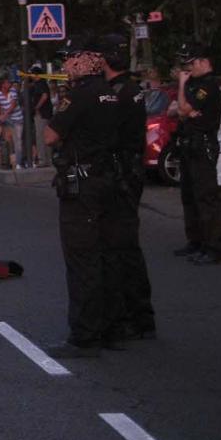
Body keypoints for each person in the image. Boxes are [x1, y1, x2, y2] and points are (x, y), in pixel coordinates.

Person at [43, 41, 124, 357]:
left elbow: (51, 135)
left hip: (83, 184)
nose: (66, 66)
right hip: (108, 180)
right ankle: (110, 327)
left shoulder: (79, 96)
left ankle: (85, 336)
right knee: (107, 255)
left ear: (90, 60)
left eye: (71, 59)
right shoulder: (111, 93)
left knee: (82, 259)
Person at [100, 34, 155, 341]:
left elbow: (106, 134)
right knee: (127, 246)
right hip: (130, 171)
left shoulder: (116, 93)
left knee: (120, 248)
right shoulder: (132, 89)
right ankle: (140, 315)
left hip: (120, 173)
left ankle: (131, 316)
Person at [172, 43, 221, 265]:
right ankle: (196, 241)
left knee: (206, 197)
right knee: (190, 196)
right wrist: (186, 107)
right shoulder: (194, 84)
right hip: (188, 143)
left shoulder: (209, 85)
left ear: (204, 61)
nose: (187, 68)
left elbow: (184, 110)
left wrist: (183, 86)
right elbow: (177, 111)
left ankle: (215, 247)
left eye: (191, 62)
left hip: (202, 144)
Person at [0, 77, 23, 168]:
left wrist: (4, 115)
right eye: (7, 82)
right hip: (7, 118)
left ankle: (18, 163)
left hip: (17, 119)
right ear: (3, 85)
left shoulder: (13, 92)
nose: (10, 84)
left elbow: (13, 105)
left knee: (18, 141)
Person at [26, 65, 53, 167]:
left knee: (40, 137)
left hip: (41, 114)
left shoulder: (40, 84)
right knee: (45, 136)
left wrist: (37, 107)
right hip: (45, 113)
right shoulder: (41, 84)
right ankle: (48, 159)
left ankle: (42, 159)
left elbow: (44, 96)